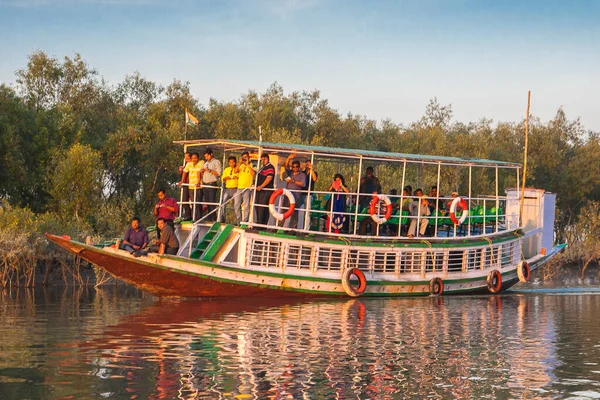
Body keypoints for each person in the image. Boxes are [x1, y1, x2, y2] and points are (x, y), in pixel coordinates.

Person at [179, 152, 203, 221]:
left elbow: (199, 173)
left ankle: (197, 218)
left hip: (197, 186)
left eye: (195, 158)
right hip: (190, 186)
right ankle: (192, 217)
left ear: (198, 158)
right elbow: (185, 172)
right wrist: (182, 181)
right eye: (193, 158)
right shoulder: (188, 164)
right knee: (192, 202)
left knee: (197, 202)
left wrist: (198, 182)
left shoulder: (201, 163)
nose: (194, 159)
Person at [283, 160, 307, 229]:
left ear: (299, 167)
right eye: (293, 167)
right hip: (287, 194)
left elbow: (303, 184)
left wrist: (293, 181)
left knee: (294, 212)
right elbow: (286, 166)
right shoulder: (290, 173)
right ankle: (281, 228)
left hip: (296, 196)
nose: (295, 168)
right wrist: (289, 158)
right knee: (284, 210)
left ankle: (293, 229)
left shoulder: (302, 175)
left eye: (297, 167)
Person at [200, 148, 222, 221]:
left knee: (212, 202)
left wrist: (209, 170)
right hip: (205, 184)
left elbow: (219, 173)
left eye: (207, 156)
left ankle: (213, 218)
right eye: (205, 157)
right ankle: (209, 217)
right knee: (207, 202)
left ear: (211, 154)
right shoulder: (206, 163)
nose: (206, 158)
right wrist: (202, 171)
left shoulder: (216, 162)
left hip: (212, 184)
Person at [254, 153, 275, 225]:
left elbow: (269, 178)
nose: (263, 161)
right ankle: (259, 222)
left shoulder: (270, 167)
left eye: (264, 159)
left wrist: (261, 186)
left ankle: (262, 224)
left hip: (266, 191)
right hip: (259, 190)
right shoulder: (261, 167)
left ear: (268, 159)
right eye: (262, 160)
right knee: (257, 206)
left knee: (263, 208)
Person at [235, 151, 255, 223]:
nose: (245, 159)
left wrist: (248, 165)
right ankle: (238, 221)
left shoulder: (252, 164)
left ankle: (245, 222)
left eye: (246, 157)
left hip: (247, 188)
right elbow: (235, 171)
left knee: (246, 206)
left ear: (249, 157)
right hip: (239, 187)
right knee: (236, 205)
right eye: (243, 158)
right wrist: (239, 163)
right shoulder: (240, 165)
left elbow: (253, 174)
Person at [221, 156, 240, 223]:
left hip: (236, 189)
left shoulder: (238, 169)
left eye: (233, 162)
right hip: (228, 189)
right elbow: (223, 179)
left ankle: (238, 222)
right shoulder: (226, 169)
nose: (232, 164)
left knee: (236, 205)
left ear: (235, 162)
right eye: (230, 162)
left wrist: (235, 177)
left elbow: (240, 177)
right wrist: (228, 177)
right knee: (223, 203)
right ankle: (222, 219)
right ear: (229, 163)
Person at [177, 152, 191, 219]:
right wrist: (180, 171)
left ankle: (191, 215)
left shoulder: (192, 164)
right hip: (185, 185)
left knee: (193, 200)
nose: (186, 158)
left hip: (190, 184)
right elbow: (181, 176)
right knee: (184, 200)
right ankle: (187, 215)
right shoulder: (185, 165)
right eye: (185, 157)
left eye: (187, 157)